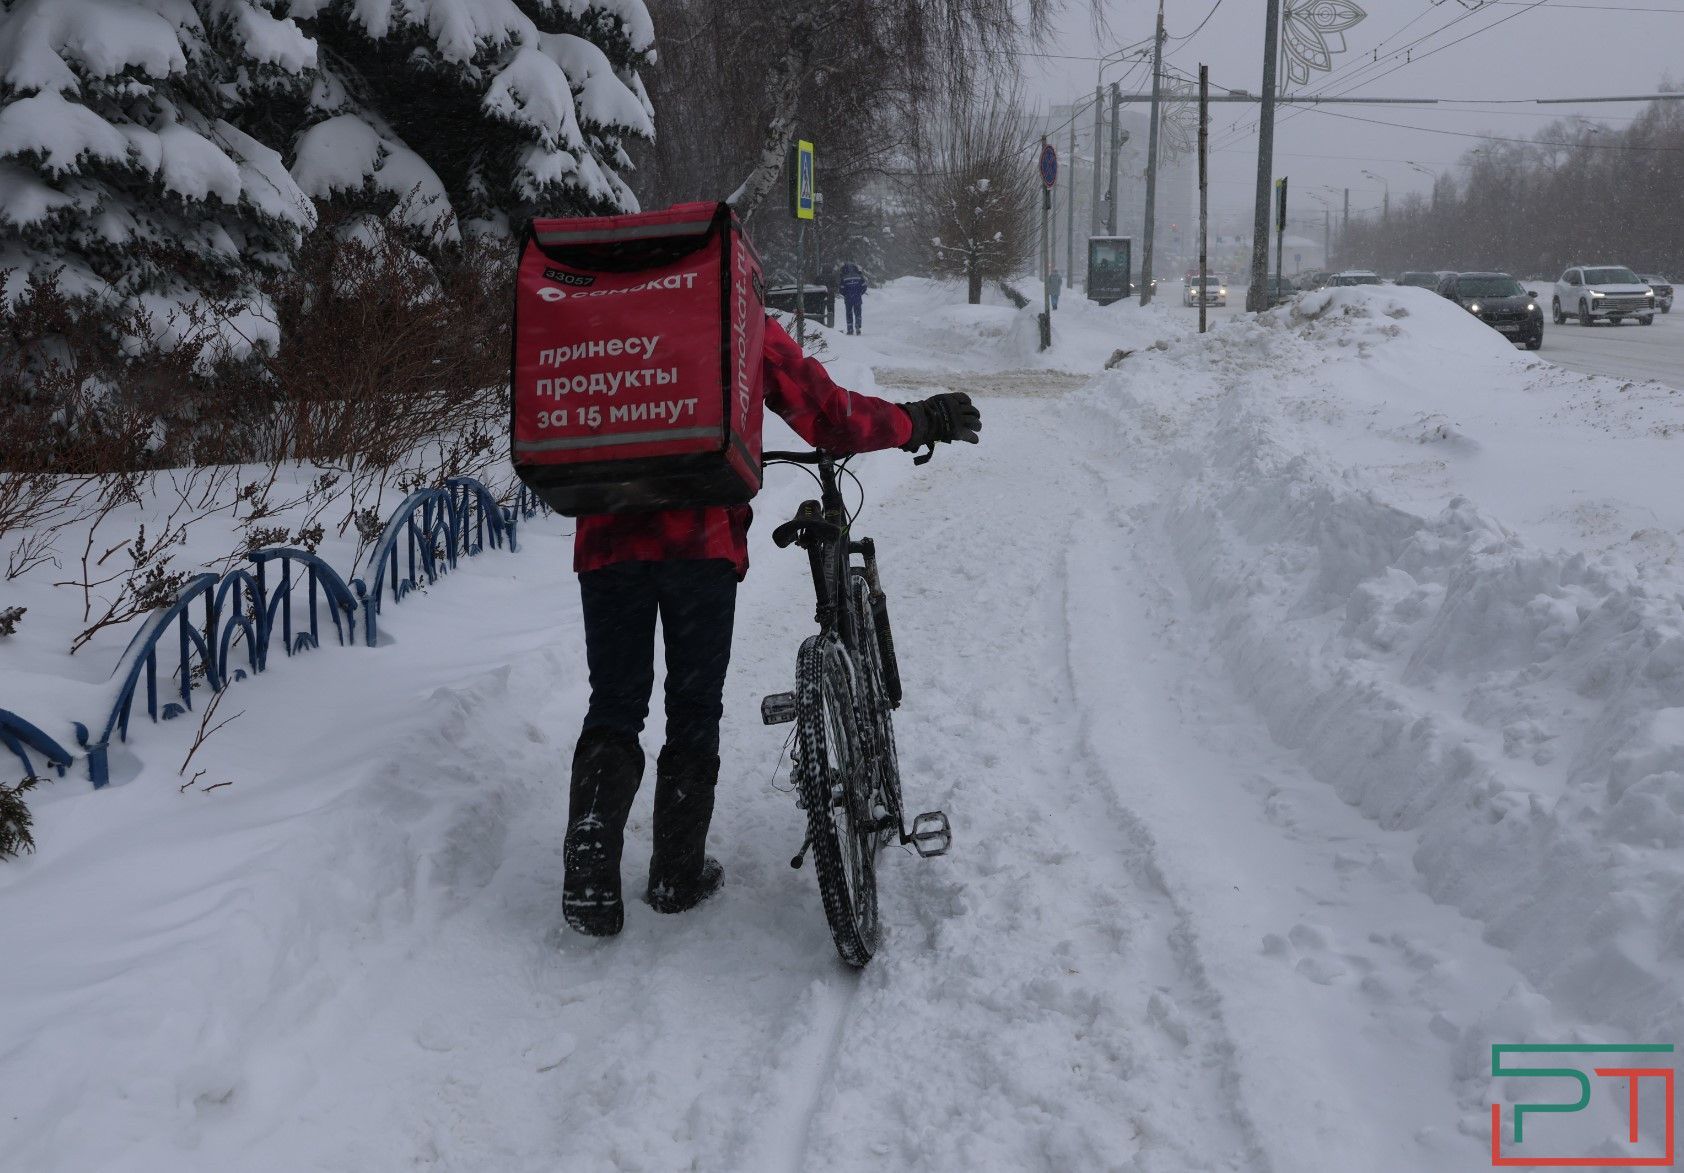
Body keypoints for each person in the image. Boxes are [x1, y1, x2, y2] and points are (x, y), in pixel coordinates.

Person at [562, 315, 982, 937]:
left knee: (615, 701)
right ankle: (676, 873)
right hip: (698, 541)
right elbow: (830, 417)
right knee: (692, 704)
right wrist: (918, 420)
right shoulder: (727, 312)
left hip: (607, 535)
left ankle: (591, 855)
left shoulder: (595, 317)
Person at [838, 260, 867, 335]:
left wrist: (845, 294)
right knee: (858, 312)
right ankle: (858, 326)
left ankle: (850, 329)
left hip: (848, 299)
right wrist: (860, 293)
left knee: (849, 313)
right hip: (857, 297)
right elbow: (864, 286)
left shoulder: (844, 278)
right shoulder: (859, 276)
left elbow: (841, 289)